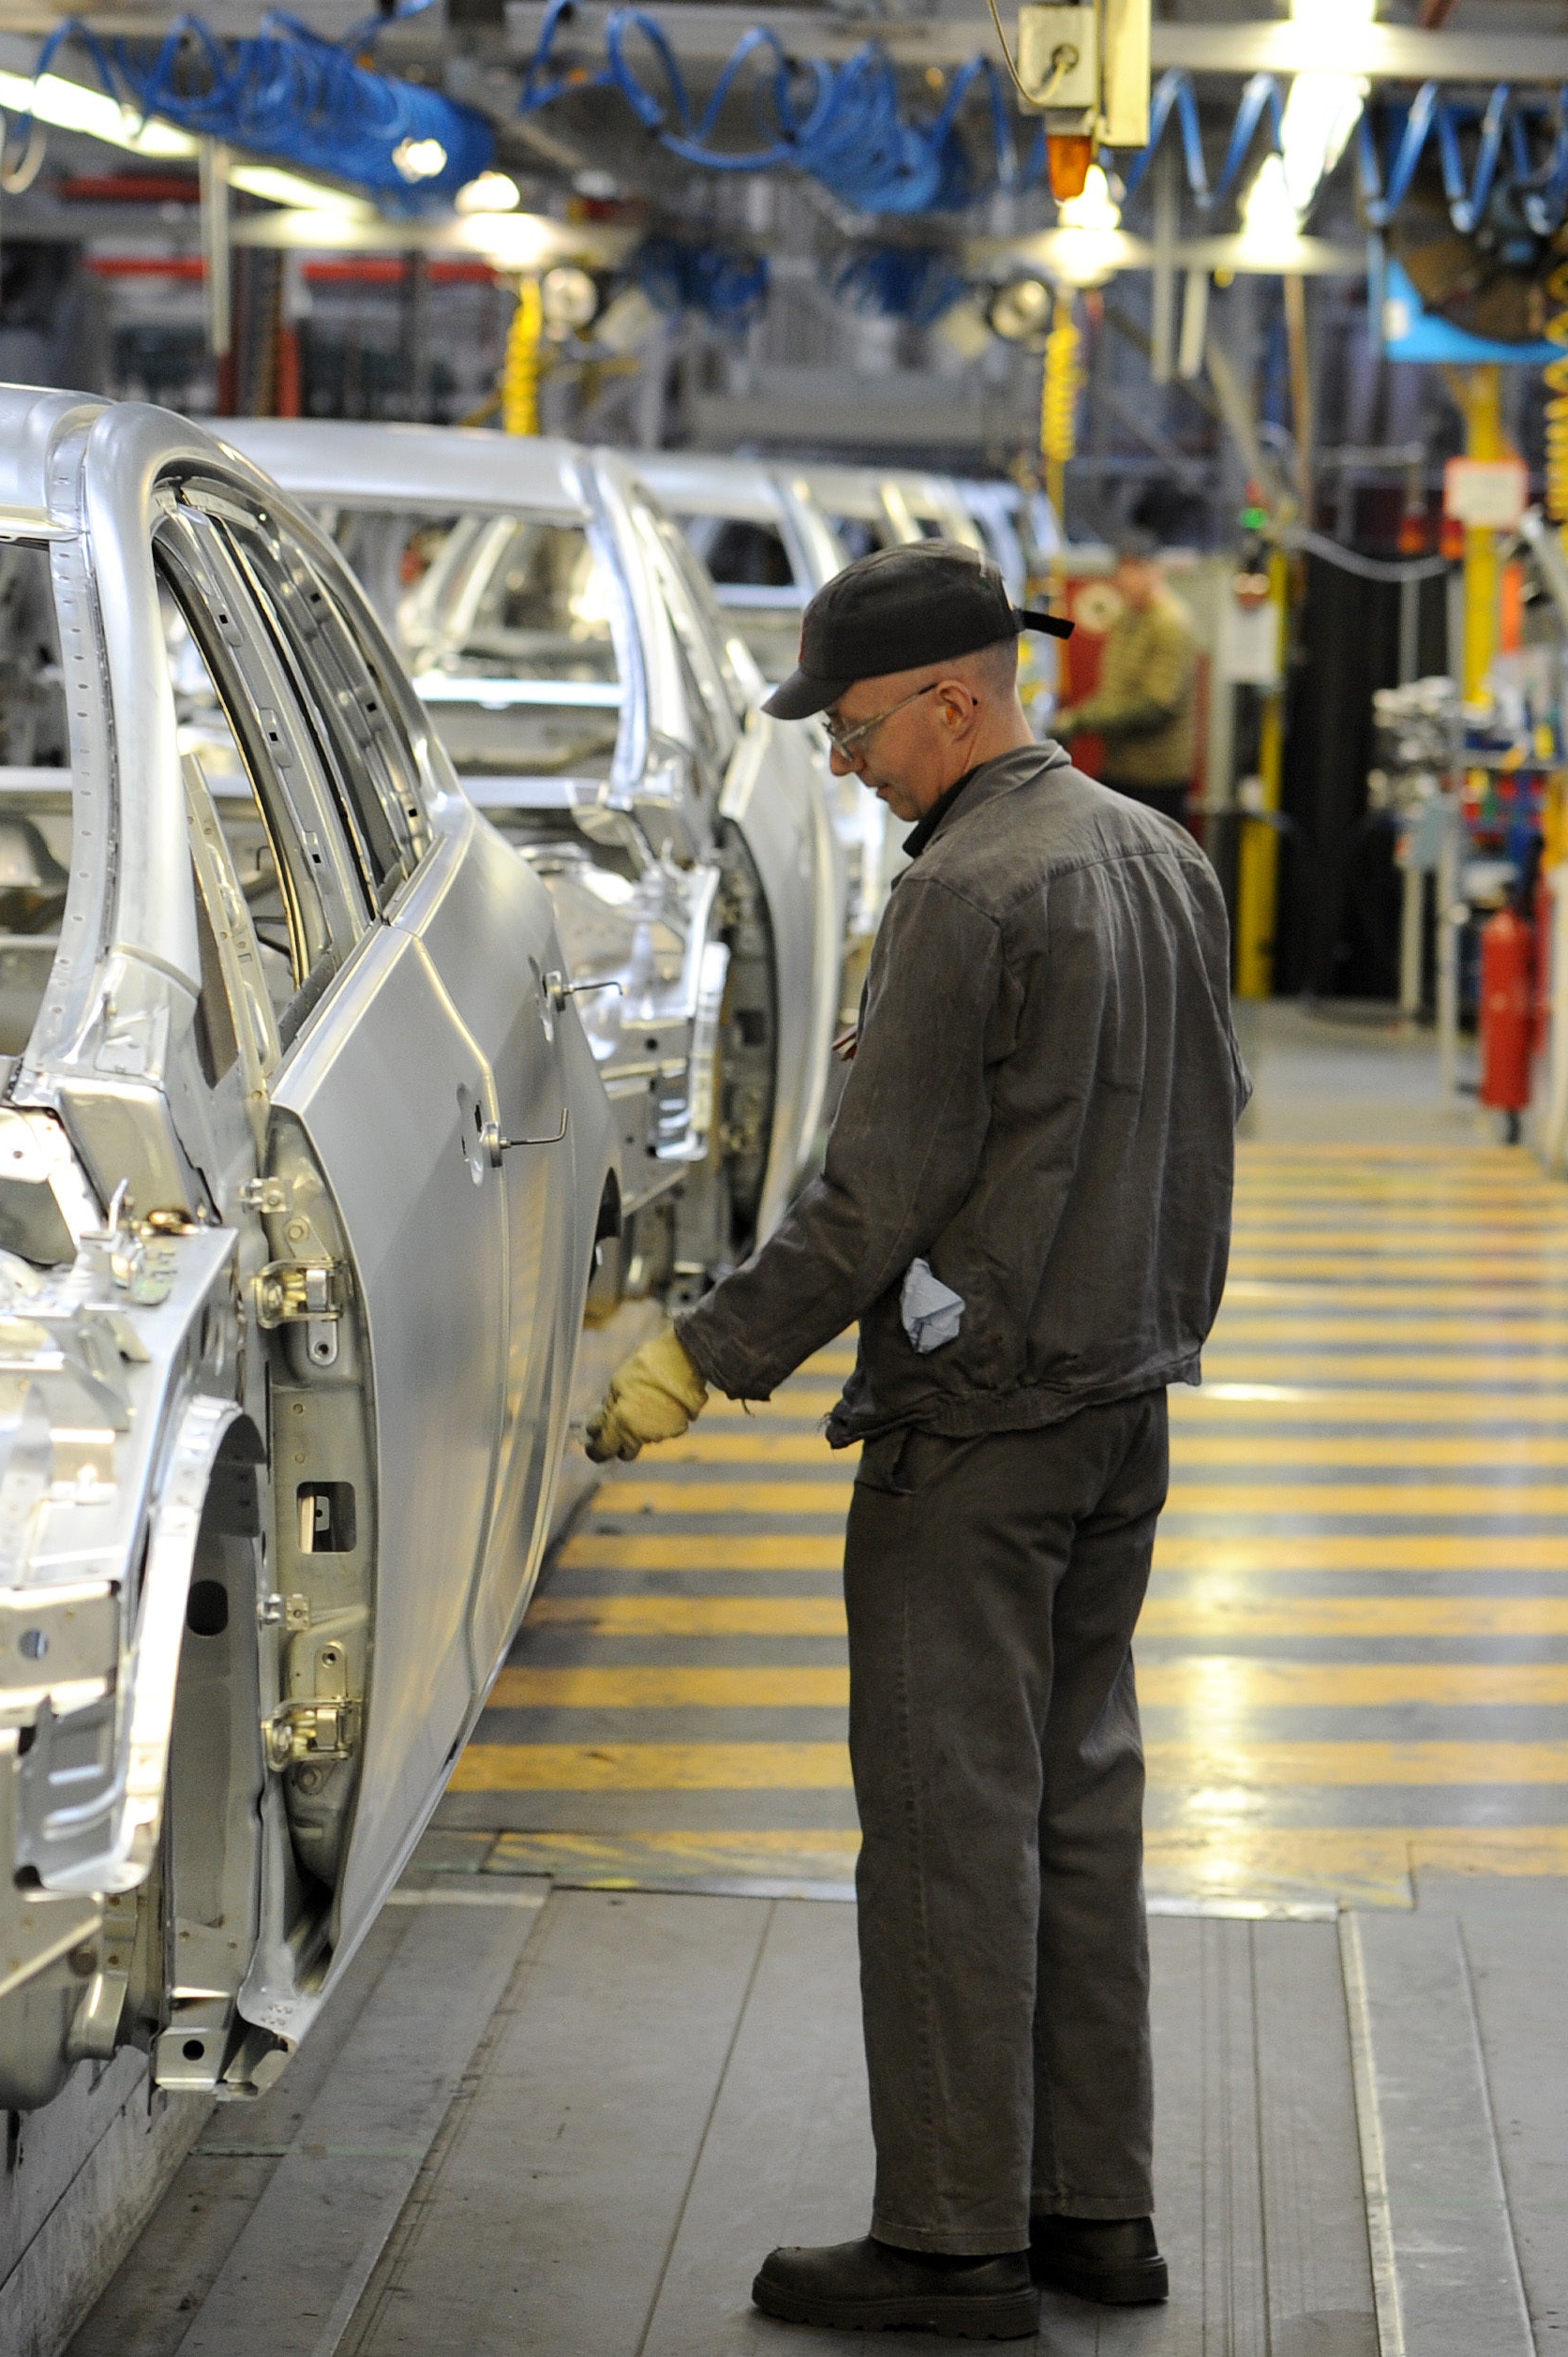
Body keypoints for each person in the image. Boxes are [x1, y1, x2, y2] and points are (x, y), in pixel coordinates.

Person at [585, 541, 1243, 2342]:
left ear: (955, 698)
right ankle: (1091, 2214)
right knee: (1074, 1809)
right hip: (1122, 1408)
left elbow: (871, 1199)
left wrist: (697, 1362)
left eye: (856, 728)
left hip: (978, 1433)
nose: (841, 762)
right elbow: (1209, 1127)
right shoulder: (1156, 857)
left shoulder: (970, 892)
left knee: (951, 1827)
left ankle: (952, 2245)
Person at [1048, 533, 1200, 824]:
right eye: (1121, 569)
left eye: (1133, 569)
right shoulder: (1128, 618)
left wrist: (1081, 721)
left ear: (1154, 571)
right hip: (1119, 769)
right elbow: (1115, 690)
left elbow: (1156, 705)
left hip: (1154, 780)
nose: (1123, 579)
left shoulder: (1171, 624)